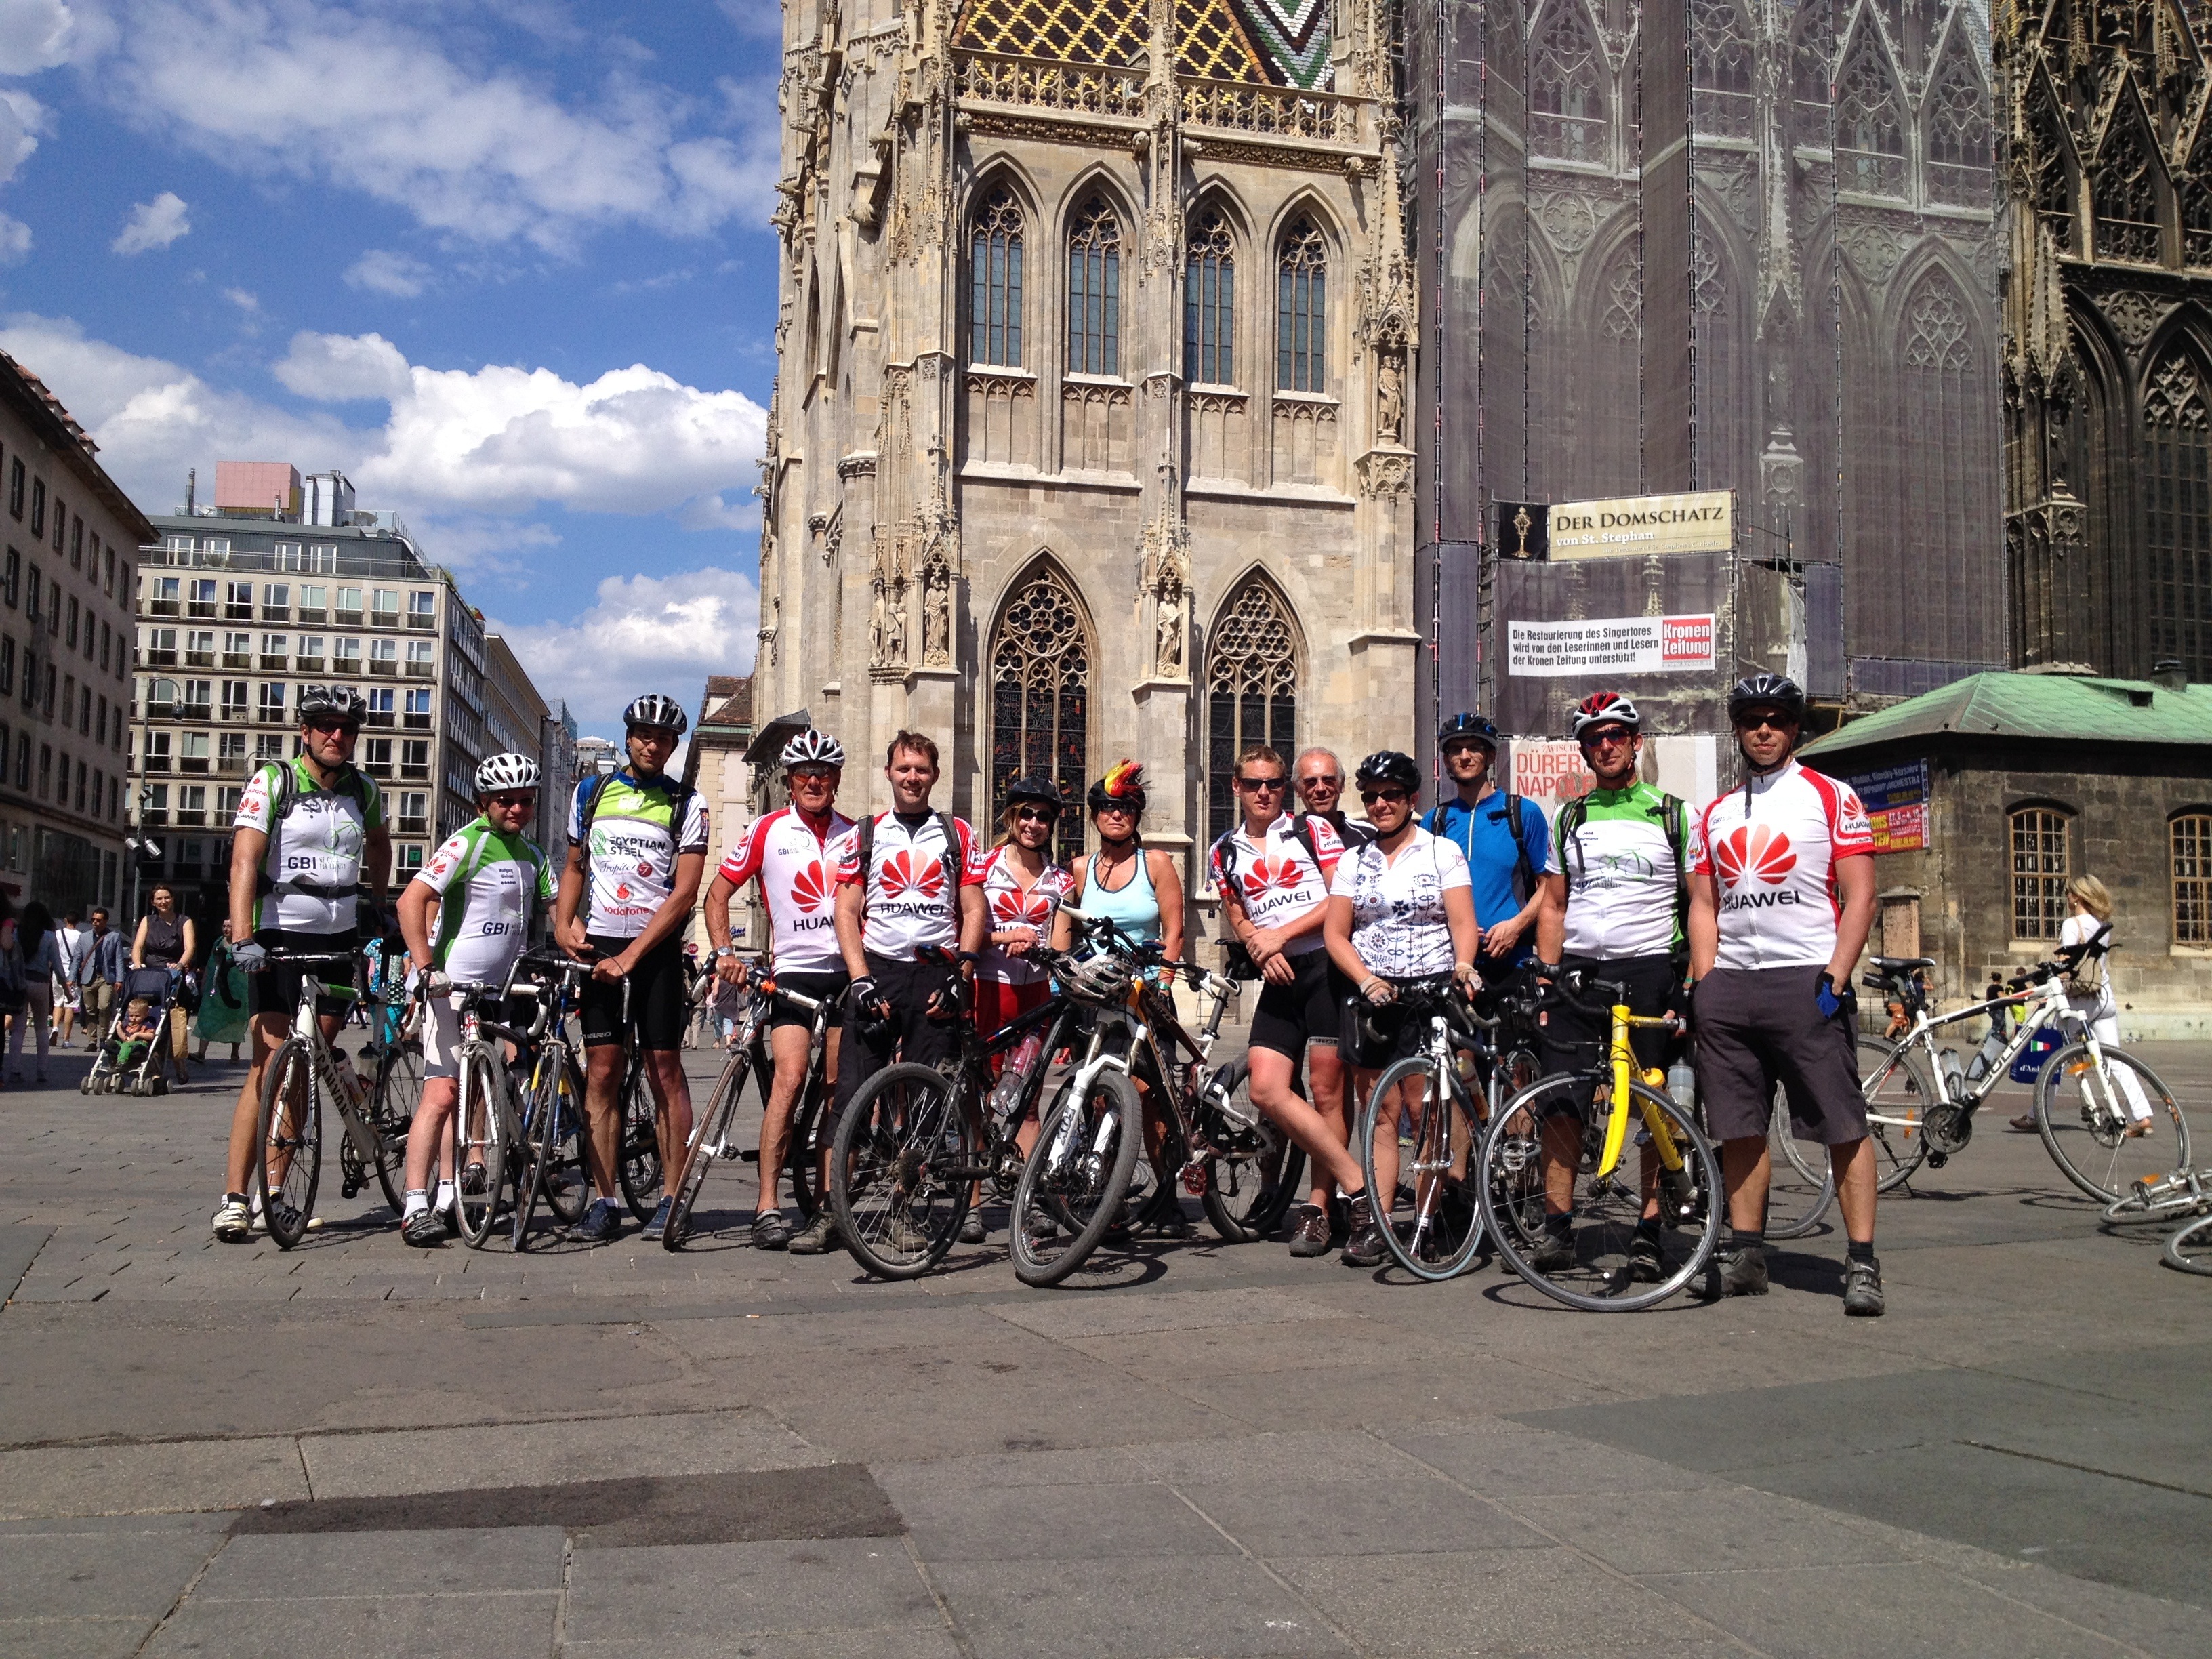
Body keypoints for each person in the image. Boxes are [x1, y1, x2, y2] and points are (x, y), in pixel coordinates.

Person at [1687, 672, 1883, 1315]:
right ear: (1738, 731)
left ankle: (1862, 1262)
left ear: (1795, 728)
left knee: (1842, 1125)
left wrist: (1837, 974)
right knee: (1738, 1127)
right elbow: (1704, 903)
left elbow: (1861, 894)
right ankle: (1747, 1255)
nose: (1764, 730)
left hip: (1806, 979)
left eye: (1776, 719)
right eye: (1752, 721)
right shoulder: (1715, 812)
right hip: (1732, 986)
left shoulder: (1831, 795)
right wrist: (1706, 982)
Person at [216, 684, 392, 1243]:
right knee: (269, 1065)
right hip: (278, 937)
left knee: (305, 1068)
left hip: (339, 940)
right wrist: (244, 936)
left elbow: (380, 844)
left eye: (347, 728)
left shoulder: (364, 790)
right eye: (326, 726)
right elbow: (244, 860)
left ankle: (274, 1193)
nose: (337, 735)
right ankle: (235, 1198)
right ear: (305, 731)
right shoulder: (275, 781)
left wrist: (380, 902)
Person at [1531, 691, 1694, 1280]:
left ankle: (1649, 1232)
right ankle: (1556, 1227)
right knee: (1561, 1103)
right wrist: (1547, 981)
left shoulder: (1672, 813)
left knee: (1651, 1103)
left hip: (1648, 970)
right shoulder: (1568, 816)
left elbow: (1700, 903)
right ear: (1584, 751)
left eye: (1615, 735)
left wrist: (1691, 982)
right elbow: (1554, 905)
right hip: (1580, 974)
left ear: (1635, 742)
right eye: (1593, 739)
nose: (1605, 746)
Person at [821, 731, 988, 1255]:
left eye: (921, 769)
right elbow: (846, 910)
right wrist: (860, 978)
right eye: (903, 769)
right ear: (888, 773)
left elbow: (974, 908)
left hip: (935, 974)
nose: (912, 777)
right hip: (880, 971)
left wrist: (962, 974)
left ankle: (903, 1210)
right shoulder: (867, 833)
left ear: (935, 775)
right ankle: (832, 1211)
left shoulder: (957, 833)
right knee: (851, 1093)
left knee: (924, 1104)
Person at [553, 693, 711, 1245]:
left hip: (655, 951)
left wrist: (633, 955)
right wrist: (562, 922)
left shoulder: (687, 801)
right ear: (628, 737)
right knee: (601, 1072)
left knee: (664, 1069)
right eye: (645, 735)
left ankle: (671, 1197)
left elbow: (685, 892)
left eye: (664, 738)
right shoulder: (591, 792)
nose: (653, 745)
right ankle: (604, 1201)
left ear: (673, 746)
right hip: (600, 947)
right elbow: (575, 865)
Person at [1210, 744, 1372, 1258]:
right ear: (1236, 787)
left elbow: (1340, 902)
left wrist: (1280, 935)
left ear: (1285, 788)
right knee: (1265, 1089)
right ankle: (1358, 1185)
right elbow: (1236, 912)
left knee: (1326, 1093)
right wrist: (1259, 946)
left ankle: (1318, 1209)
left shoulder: (1312, 830)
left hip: (1324, 969)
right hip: (1278, 975)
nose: (1264, 792)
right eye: (1253, 784)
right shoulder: (1224, 850)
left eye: (1274, 784)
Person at [1322, 750, 1481, 1267]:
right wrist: (1365, 979)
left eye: (1391, 795)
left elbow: (1462, 922)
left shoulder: (1441, 852)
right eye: (1371, 797)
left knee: (1424, 1114)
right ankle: (1381, 1222)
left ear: (1412, 799)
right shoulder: (1354, 860)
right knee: (1380, 1114)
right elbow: (1335, 933)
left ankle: (1428, 1221)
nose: (1380, 804)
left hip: (1428, 993)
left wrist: (1463, 965)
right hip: (1372, 995)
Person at [701, 729, 855, 1249]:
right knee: (788, 1081)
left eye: (823, 773)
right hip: (792, 972)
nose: (814, 781)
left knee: (838, 1090)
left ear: (836, 779)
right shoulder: (767, 830)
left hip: (845, 975)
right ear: (789, 781)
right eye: (804, 773)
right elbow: (718, 894)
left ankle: (831, 1205)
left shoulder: (856, 835)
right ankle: (767, 1204)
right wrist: (725, 953)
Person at [396, 753, 556, 1247]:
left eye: (525, 800)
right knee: (442, 1093)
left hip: (498, 989)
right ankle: (415, 1204)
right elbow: (411, 900)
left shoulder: (534, 856)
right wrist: (425, 967)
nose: (517, 809)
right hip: (452, 986)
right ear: (483, 802)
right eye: (505, 801)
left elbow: (559, 916)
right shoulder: (468, 842)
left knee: (474, 1093)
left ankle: (450, 1194)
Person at [1057, 762, 1189, 1237]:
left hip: (1145, 995)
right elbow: (1066, 928)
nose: (1117, 815)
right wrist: (1062, 985)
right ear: (1094, 815)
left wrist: (1165, 983)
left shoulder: (1156, 864)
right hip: (1096, 997)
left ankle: (1167, 1198)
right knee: (1096, 1095)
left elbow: (1174, 929)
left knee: (1150, 1099)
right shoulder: (1080, 868)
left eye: (1127, 808)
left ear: (1137, 816)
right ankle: (1104, 1196)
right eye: (1108, 807)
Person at [2010, 874, 2155, 1134]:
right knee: (2116, 1060)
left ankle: (2038, 1115)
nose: (2066, 897)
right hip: (2103, 997)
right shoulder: (2100, 926)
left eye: (2068, 893)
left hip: (2077, 1002)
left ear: (2077, 897)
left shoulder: (2071, 924)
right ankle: (2142, 1115)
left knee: (2054, 1058)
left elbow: (2067, 967)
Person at [1428, 713, 1556, 981]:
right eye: (1455, 750)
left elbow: (1549, 886)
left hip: (1513, 963)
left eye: (1474, 748)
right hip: (1451, 963)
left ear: (1491, 756)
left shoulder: (1522, 813)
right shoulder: (1434, 820)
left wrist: (1516, 926)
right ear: (1446, 760)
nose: (1465, 756)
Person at [130, 883, 197, 1085]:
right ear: (153, 902)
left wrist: (180, 965)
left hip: (172, 977)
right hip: (150, 977)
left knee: (173, 1025)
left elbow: (190, 948)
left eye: (167, 897)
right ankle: (151, 1066)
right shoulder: (148, 921)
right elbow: (138, 947)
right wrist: (137, 965)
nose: (163, 902)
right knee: (150, 1020)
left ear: (173, 899)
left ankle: (179, 1063)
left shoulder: (184, 921)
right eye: (159, 898)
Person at [7, 901, 58, 1084]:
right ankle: (42, 1071)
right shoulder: (49, 937)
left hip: (20, 984)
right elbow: (58, 966)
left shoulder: (16, 934)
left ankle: (15, 1071)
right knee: (42, 1028)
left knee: (18, 1029)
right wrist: (67, 991)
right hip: (41, 984)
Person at [1295, 748, 1376, 851]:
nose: (1321, 788)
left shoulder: (1369, 836)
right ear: (1297, 789)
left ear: (1342, 784)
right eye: (1311, 782)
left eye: (1328, 780)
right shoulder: (1285, 839)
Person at [194, 921, 249, 1065]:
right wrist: (204, 981)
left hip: (236, 989)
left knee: (236, 1019)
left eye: (229, 926)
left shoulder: (242, 944)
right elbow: (210, 963)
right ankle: (201, 1053)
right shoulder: (218, 942)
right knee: (207, 1015)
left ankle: (235, 1054)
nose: (226, 929)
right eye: (224, 926)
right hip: (215, 987)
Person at [73, 909, 124, 1041]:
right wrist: (71, 978)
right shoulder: (84, 937)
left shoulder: (113, 937)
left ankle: (104, 1036)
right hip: (88, 977)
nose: (95, 922)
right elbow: (77, 958)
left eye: (99, 920)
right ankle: (92, 1039)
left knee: (104, 1006)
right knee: (90, 1010)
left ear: (105, 921)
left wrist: (119, 979)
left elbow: (119, 958)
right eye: (93, 920)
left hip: (106, 978)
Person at [53, 912, 85, 1048]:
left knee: (57, 1003)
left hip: (57, 971)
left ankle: (55, 1027)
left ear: (65, 920)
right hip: (72, 974)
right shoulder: (81, 936)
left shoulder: (57, 934)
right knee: (70, 1005)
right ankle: (66, 1039)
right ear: (78, 922)